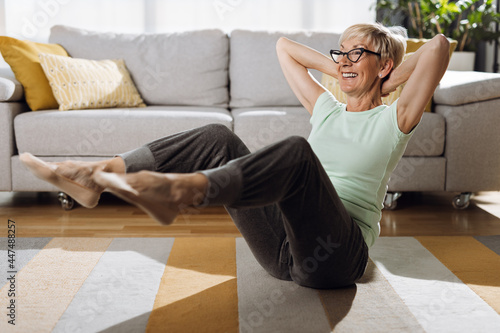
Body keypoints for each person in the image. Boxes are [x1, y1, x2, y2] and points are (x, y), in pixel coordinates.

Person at [20, 23, 450, 289]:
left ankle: (182, 190)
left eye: (357, 54)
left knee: (299, 154)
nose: (343, 61)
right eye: (341, 52)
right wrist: (345, 66)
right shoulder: (327, 108)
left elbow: (439, 47)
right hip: (282, 253)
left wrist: (388, 81)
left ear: (387, 66)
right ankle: (97, 178)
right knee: (217, 136)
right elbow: (284, 47)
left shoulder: (396, 118)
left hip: (337, 259)